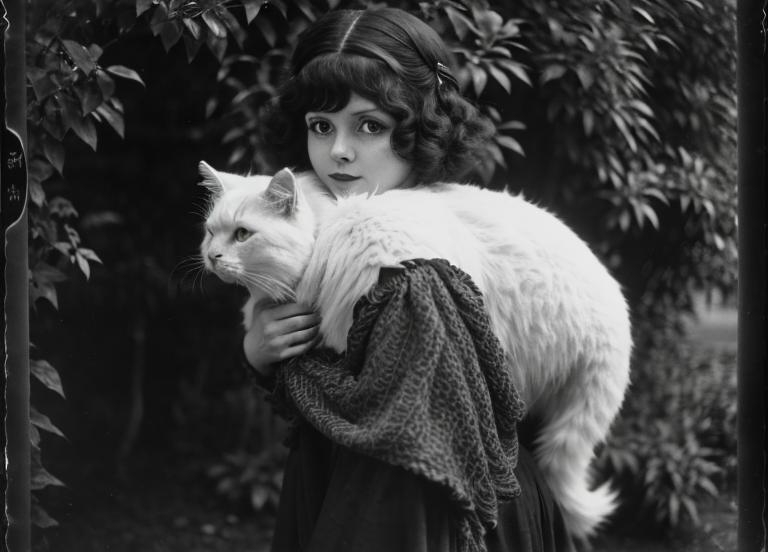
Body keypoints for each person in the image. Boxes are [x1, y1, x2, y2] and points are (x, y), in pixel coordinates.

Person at [241, 7, 575, 552]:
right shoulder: (333, 233)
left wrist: (282, 368)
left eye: (370, 126)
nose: (339, 152)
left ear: (418, 127)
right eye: (320, 127)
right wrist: (261, 352)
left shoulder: (401, 264)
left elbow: (401, 444)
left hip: (419, 512)